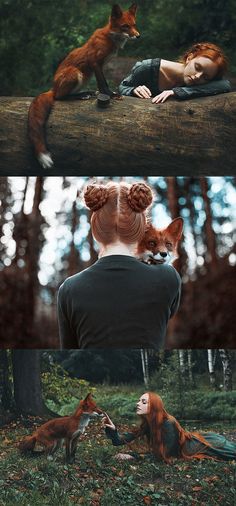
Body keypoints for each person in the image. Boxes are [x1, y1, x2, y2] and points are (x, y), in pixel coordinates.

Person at [58, 181, 181, 349]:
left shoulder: (69, 289)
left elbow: (69, 350)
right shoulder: (168, 277)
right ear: (141, 228)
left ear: (96, 230)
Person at [103, 392, 236, 462]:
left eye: (143, 402)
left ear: (154, 406)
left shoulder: (168, 422)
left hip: (202, 446)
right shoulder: (148, 423)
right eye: (138, 400)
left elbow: (165, 455)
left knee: (232, 452)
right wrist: (113, 430)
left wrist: (132, 456)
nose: (138, 404)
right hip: (195, 441)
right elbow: (119, 441)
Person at [119, 42, 231, 103]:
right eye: (197, 67)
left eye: (205, 77)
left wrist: (177, 92)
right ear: (189, 58)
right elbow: (122, 88)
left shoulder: (197, 82)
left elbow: (225, 85)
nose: (198, 77)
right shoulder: (147, 67)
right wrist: (133, 90)